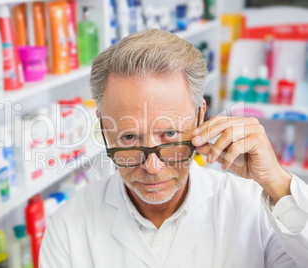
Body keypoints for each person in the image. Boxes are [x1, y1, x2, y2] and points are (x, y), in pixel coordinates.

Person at [39, 29, 308, 268]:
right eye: (130, 137)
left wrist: (278, 184)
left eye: (169, 134)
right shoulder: (69, 226)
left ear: (199, 117)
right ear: (104, 127)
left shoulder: (253, 209)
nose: (152, 167)